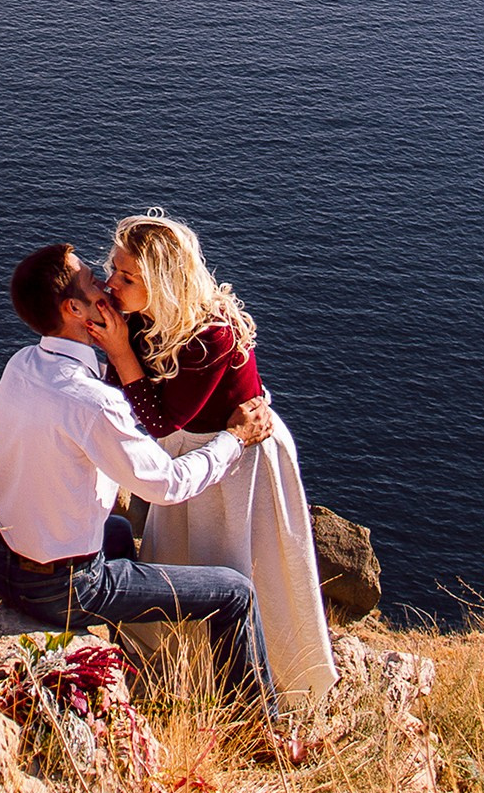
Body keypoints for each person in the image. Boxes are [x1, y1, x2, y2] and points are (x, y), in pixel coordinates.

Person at [0, 242, 282, 720]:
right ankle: (258, 728)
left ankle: (134, 667)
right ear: (74, 309)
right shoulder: (91, 402)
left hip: (0, 558)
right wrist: (235, 438)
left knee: (120, 533)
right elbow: (166, 485)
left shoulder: (23, 364)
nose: (106, 286)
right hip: (62, 588)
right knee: (234, 593)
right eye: (92, 283)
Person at [97, 212, 337, 709]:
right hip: (196, 459)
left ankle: (276, 688)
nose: (111, 283)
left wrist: (119, 351)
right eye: (113, 270)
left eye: (126, 277)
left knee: (244, 566)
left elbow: (160, 420)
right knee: (184, 564)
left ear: (161, 281)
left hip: (238, 465)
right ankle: (188, 684)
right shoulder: (149, 319)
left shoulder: (211, 334)